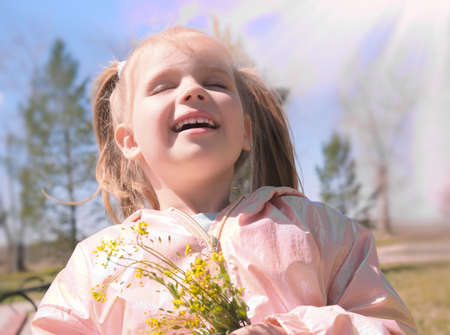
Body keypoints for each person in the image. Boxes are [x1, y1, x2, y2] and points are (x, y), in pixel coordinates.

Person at [31, 26, 416, 335]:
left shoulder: (318, 229)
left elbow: (387, 324)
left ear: (246, 133)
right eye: (164, 86)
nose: (193, 90)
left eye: (216, 83)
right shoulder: (98, 260)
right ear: (129, 141)